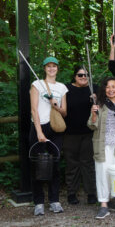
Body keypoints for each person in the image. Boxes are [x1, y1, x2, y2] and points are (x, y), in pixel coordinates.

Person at [88, 77, 115, 219]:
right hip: (102, 145)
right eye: (108, 87)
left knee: (114, 174)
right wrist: (94, 113)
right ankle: (103, 205)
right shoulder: (99, 104)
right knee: (102, 173)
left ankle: (110, 200)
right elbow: (91, 125)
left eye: (114, 87)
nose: (111, 89)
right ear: (104, 89)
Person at [29, 56, 68, 216]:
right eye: (48, 66)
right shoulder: (36, 84)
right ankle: (38, 202)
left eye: (54, 66)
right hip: (40, 126)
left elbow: (64, 112)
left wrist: (56, 105)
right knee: (37, 165)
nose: (51, 69)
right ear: (44, 68)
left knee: (55, 164)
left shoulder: (62, 87)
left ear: (57, 68)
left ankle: (54, 200)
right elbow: (34, 110)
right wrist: (39, 131)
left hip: (55, 128)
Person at [64, 66, 97, 205]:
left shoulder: (93, 88)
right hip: (70, 133)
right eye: (80, 75)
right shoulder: (66, 89)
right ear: (74, 76)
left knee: (88, 163)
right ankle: (72, 192)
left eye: (86, 75)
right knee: (72, 163)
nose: (84, 77)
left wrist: (96, 99)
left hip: (89, 133)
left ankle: (91, 193)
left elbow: (105, 104)